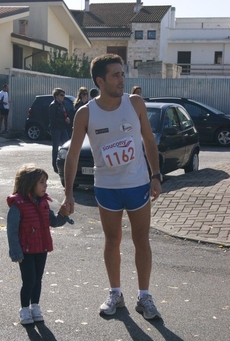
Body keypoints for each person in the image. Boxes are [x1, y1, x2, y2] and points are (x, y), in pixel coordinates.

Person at [62, 54, 162, 320]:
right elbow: (72, 155)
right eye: (116, 75)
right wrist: (68, 193)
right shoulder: (85, 113)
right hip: (106, 187)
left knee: (141, 239)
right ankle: (115, 293)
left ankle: (145, 295)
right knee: (112, 240)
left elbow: (149, 140)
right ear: (100, 81)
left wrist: (156, 175)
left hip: (137, 183)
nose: (122, 80)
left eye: (122, 74)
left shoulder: (135, 103)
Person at [7, 164, 73, 325]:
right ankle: (24, 309)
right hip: (26, 251)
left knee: (38, 280)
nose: (46, 185)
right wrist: (16, 252)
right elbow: (12, 231)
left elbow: (53, 221)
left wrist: (63, 215)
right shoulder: (18, 205)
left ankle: (35, 306)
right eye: (41, 182)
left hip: (41, 248)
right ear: (30, 183)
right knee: (29, 280)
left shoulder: (44, 203)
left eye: (46, 181)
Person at [49, 88, 71, 173]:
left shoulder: (62, 104)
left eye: (63, 95)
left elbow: (65, 114)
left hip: (63, 128)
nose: (63, 97)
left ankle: (67, 163)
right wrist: (63, 120)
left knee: (67, 146)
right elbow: (53, 119)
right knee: (55, 148)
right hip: (55, 129)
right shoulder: (53, 105)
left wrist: (67, 119)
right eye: (61, 95)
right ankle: (55, 165)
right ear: (56, 96)